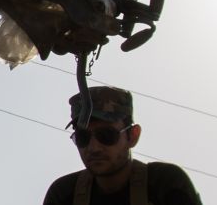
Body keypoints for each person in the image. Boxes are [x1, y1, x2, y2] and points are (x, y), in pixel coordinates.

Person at [41, 87, 202, 205]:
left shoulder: (164, 183)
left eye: (106, 136)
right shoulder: (64, 194)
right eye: (83, 138)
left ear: (132, 136)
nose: (94, 147)